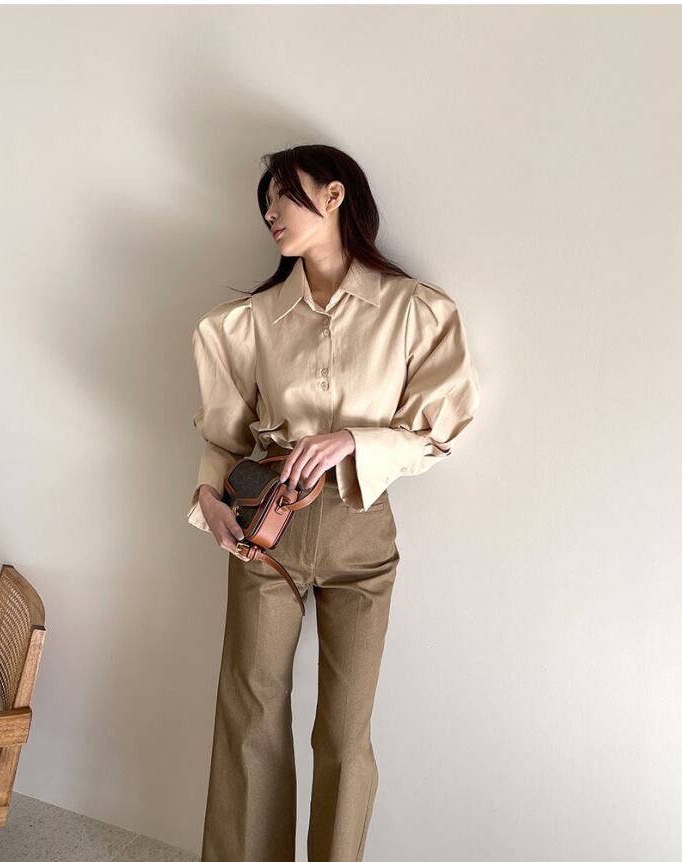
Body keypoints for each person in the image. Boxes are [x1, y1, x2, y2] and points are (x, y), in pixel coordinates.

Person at [186, 144, 481, 862]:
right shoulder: (247, 322)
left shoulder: (415, 311)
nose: (269, 212)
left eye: (282, 194)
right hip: (267, 533)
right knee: (250, 718)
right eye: (264, 201)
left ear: (335, 194)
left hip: (361, 531)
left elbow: (439, 430)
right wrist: (207, 496)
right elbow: (224, 437)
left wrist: (354, 440)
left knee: (345, 737)